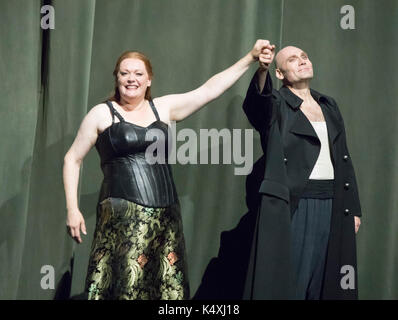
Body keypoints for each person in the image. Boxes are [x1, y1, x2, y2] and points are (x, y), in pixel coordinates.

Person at [63, 40, 269, 300]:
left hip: (166, 218)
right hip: (122, 219)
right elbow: (72, 159)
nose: (131, 79)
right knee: (127, 287)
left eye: (138, 74)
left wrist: (249, 58)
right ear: (116, 78)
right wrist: (72, 208)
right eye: (124, 73)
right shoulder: (101, 114)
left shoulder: (163, 107)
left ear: (149, 80)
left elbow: (209, 90)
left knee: (168, 290)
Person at [241, 42, 362, 300]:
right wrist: (261, 70)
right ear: (280, 74)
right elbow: (256, 105)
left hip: (333, 203)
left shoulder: (328, 105)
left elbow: (343, 158)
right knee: (290, 283)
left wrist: (353, 208)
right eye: (293, 59)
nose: (302, 60)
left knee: (327, 284)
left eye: (304, 56)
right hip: (295, 204)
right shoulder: (276, 104)